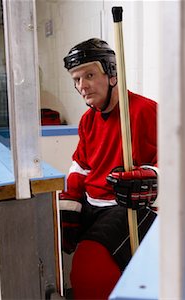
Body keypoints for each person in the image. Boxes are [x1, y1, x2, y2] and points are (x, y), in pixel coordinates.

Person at [60, 38, 158, 299]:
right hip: (93, 204)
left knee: (91, 271)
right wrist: (69, 202)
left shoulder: (145, 111)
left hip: (126, 207)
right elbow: (80, 166)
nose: (82, 86)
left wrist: (149, 177)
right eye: (77, 80)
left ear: (112, 74)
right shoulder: (87, 120)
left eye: (89, 75)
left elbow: (175, 162)